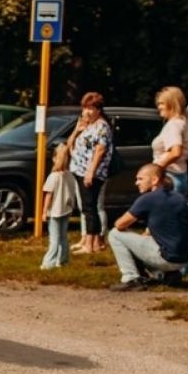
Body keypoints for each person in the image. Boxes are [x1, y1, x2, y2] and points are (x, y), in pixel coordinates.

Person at [108, 163, 188, 290]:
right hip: (183, 259)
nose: (136, 183)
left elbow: (120, 225)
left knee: (115, 234)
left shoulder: (148, 199)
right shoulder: (178, 198)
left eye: (140, 179)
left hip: (166, 258)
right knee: (144, 240)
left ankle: (131, 278)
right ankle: (166, 275)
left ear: (154, 180)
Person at [68, 92, 114, 254]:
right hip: (78, 170)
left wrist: (90, 172)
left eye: (91, 108)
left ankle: (92, 243)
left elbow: (100, 151)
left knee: (91, 208)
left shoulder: (102, 126)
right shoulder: (88, 125)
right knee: (87, 207)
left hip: (91, 172)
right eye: (85, 108)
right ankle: (89, 242)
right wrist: (77, 130)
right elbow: (69, 145)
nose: (86, 112)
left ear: (99, 110)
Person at [39, 142, 81, 269]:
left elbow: (49, 195)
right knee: (63, 237)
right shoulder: (70, 176)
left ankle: (48, 263)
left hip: (55, 211)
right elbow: (73, 192)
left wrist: (44, 211)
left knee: (54, 238)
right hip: (66, 209)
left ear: (54, 158)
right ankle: (63, 260)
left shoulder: (53, 177)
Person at [152, 86, 188, 197]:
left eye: (162, 103)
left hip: (170, 177)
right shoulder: (182, 122)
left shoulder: (174, 125)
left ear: (172, 104)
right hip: (180, 175)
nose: (158, 107)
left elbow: (175, 152)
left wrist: (156, 169)